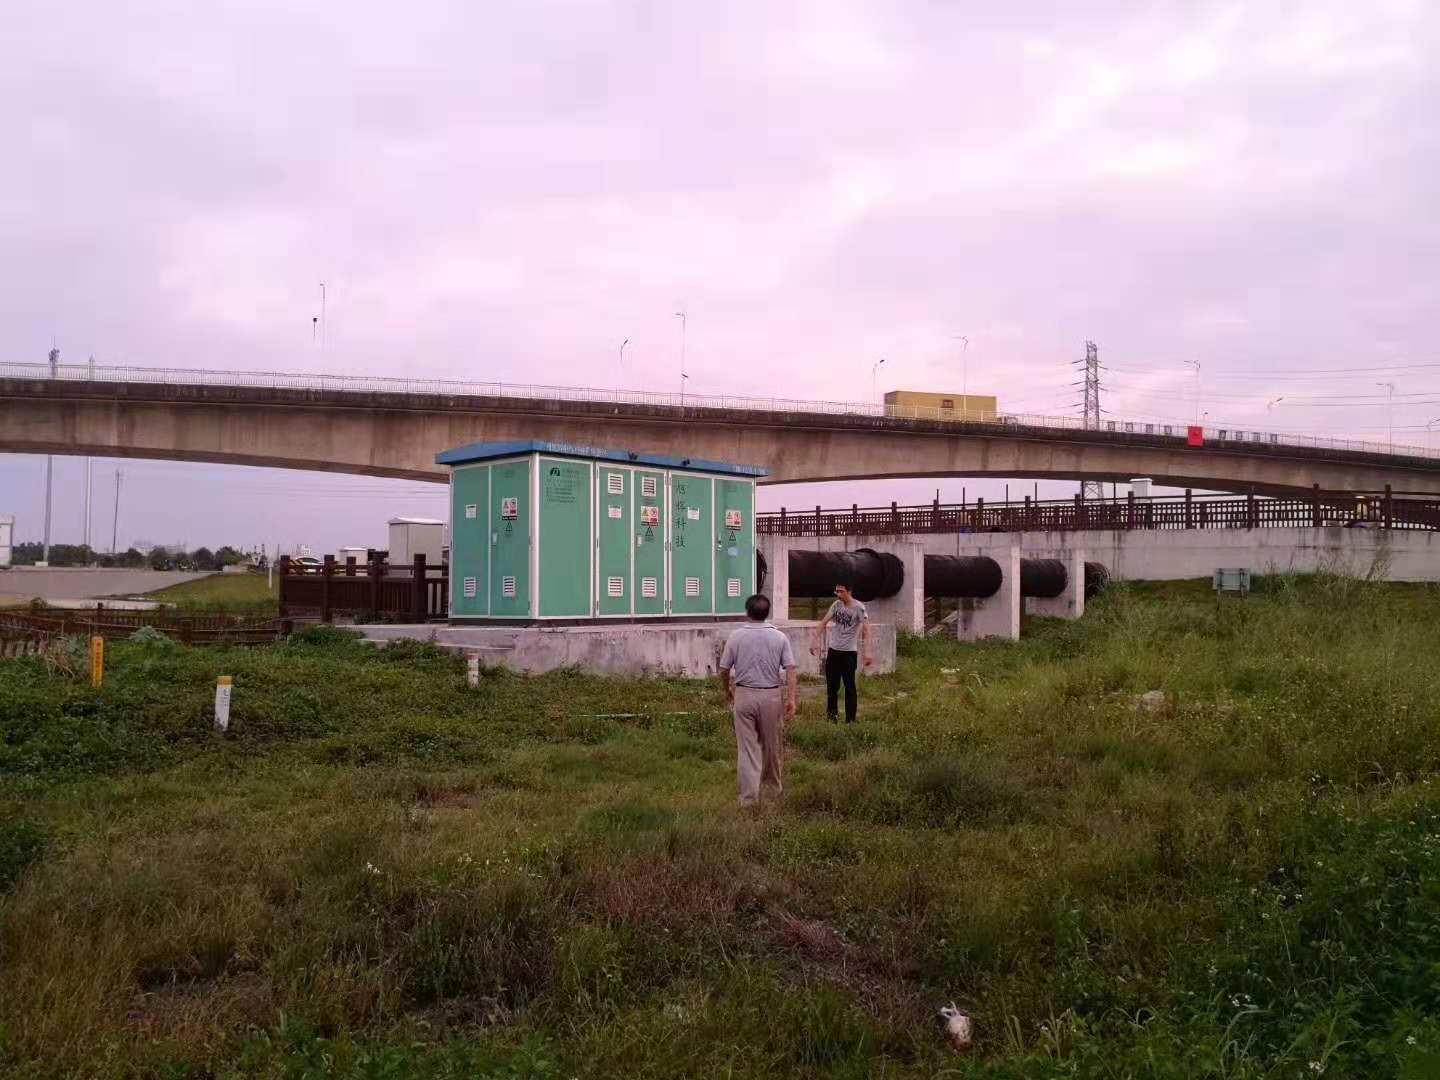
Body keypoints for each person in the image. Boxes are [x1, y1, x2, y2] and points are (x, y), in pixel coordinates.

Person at [719, 594, 798, 806]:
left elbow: (724, 669)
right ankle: (771, 794)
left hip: (744, 694)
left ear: (747, 612)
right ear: (767, 612)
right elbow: (791, 669)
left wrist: (727, 690)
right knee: (772, 747)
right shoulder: (779, 637)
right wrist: (791, 699)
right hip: (771, 696)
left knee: (747, 749)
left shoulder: (736, 636)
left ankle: (748, 800)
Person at [810, 579, 872, 723]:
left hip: (849, 653)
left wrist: (868, 652)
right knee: (832, 687)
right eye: (836, 591)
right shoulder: (836, 605)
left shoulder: (859, 608)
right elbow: (823, 623)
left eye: (841, 591)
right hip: (833, 651)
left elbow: (867, 630)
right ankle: (832, 718)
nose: (838, 594)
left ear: (849, 591)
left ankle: (850, 720)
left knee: (850, 687)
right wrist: (814, 640)